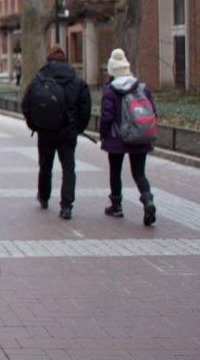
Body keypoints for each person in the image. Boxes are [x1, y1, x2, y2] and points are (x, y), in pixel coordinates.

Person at [21, 44, 91, 219]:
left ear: (49, 59)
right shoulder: (76, 81)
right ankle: (66, 205)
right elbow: (85, 108)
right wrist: (78, 127)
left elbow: (26, 104)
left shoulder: (39, 79)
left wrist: (34, 125)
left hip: (45, 131)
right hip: (68, 131)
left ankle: (44, 197)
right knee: (69, 168)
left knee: (45, 165)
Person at [100, 48, 157, 226]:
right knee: (139, 173)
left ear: (112, 70)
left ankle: (116, 206)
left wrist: (103, 135)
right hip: (140, 134)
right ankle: (148, 200)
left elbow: (107, 117)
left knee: (115, 171)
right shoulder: (142, 88)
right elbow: (153, 111)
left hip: (117, 138)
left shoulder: (110, 91)